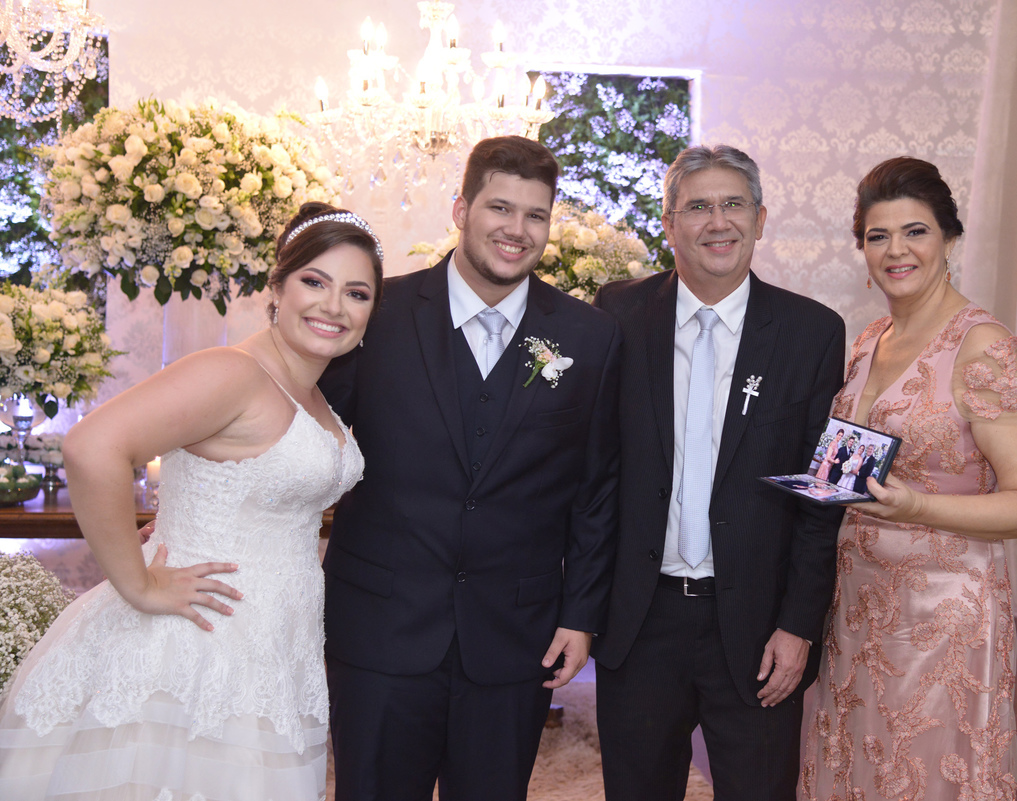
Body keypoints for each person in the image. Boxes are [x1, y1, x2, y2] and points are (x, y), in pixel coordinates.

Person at [0, 202, 383, 799]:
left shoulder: (311, 394)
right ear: (277, 287)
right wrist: (139, 585)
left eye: (356, 293)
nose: (334, 306)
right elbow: (91, 446)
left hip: (276, 644)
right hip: (200, 637)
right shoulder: (234, 372)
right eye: (315, 282)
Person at [317, 136, 619, 801]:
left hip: (515, 635)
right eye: (500, 208)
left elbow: (595, 491)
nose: (517, 230)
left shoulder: (589, 336)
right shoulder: (377, 312)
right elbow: (309, 434)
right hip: (380, 627)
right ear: (461, 210)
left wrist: (580, 614)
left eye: (535, 215)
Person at [592, 144, 845, 801]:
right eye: (698, 206)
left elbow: (821, 498)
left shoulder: (813, 332)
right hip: (639, 623)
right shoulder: (616, 315)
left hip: (759, 628)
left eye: (734, 204)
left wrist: (799, 624)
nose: (718, 221)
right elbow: (594, 476)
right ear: (669, 223)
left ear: (760, 219)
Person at [802, 157, 1017, 801]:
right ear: (863, 250)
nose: (896, 250)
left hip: (942, 617)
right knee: (856, 770)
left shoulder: (984, 348)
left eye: (915, 231)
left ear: (949, 239)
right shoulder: (871, 339)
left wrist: (916, 505)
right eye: (878, 236)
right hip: (855, 600)